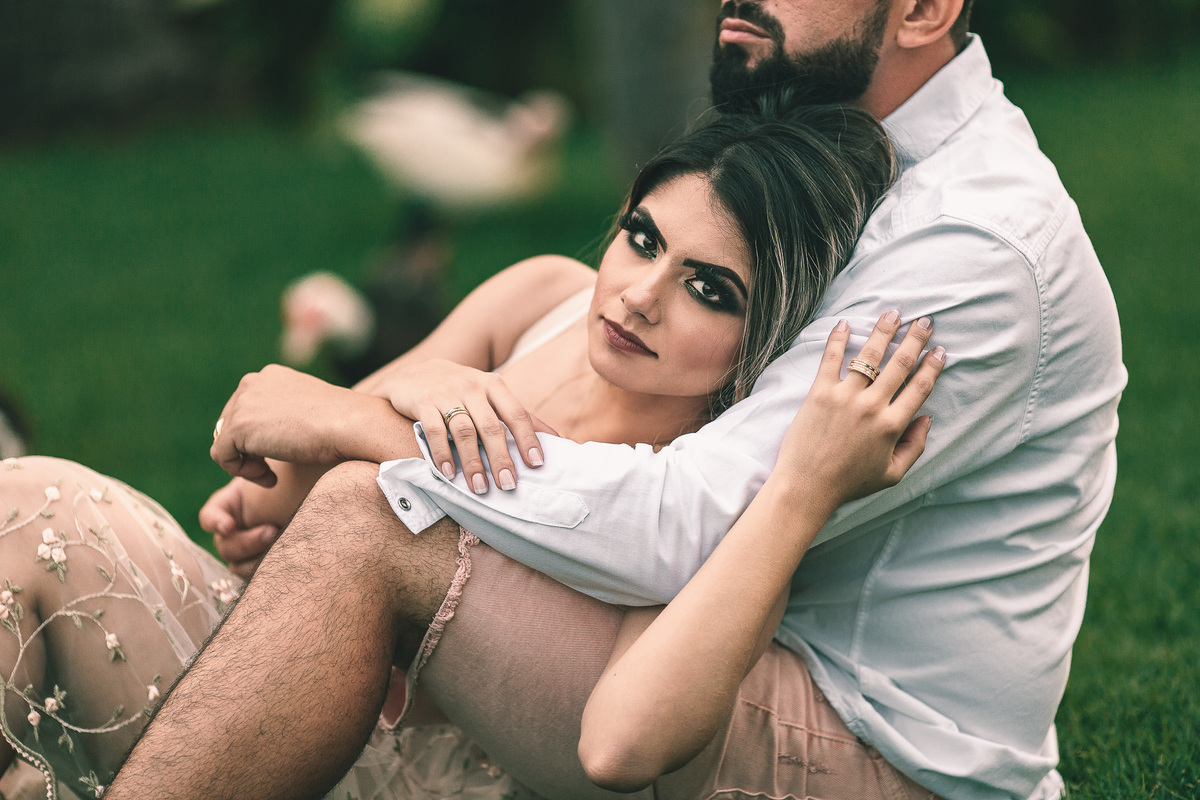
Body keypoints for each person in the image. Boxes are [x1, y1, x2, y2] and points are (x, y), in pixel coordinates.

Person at [107, 0, 1126, 796]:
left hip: (871, 744)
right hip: (697, 642)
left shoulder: (976, 248)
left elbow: (682, 524)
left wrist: (358, 421)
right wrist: (426, 388)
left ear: (920, 13)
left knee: (375, 519)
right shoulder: (842, 162)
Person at [0, 101, 913, 799]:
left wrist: (368, 422)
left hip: (414, 768)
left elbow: (626, 745)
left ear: (767, 332)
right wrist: (416, 389)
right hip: (282, 666)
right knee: (33, 496)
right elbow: (263, 480)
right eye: (642, 239)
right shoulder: (542, 296)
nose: (639, 296)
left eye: (710, 290)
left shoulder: (704, 477)